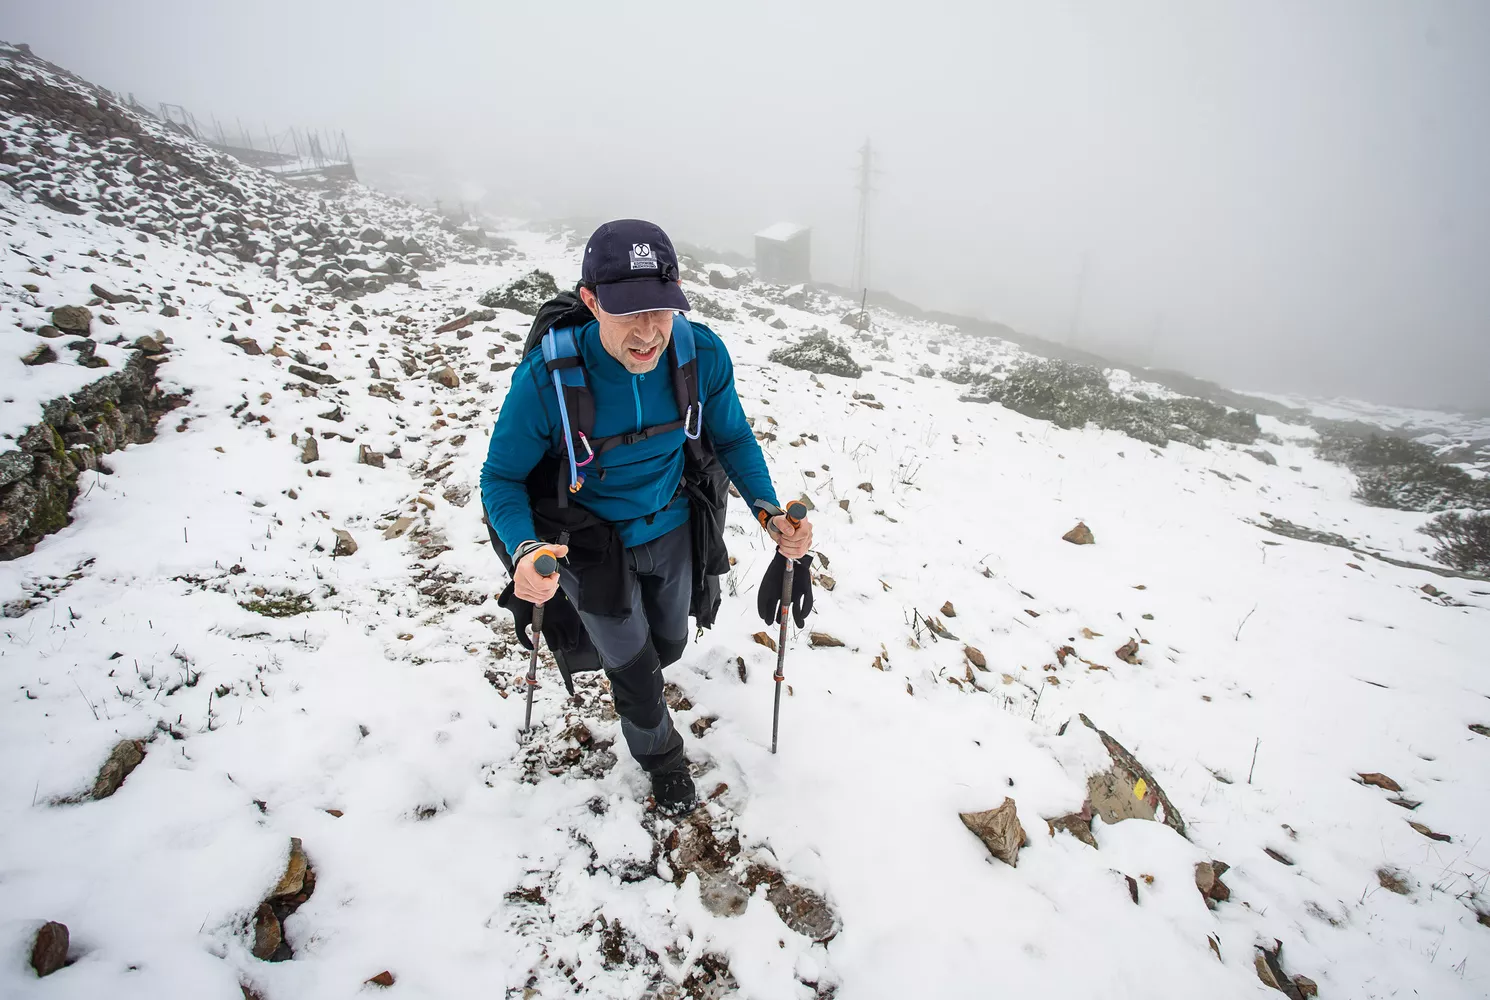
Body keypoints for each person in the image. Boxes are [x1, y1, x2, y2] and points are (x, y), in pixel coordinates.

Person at [481, 219, 813, 815]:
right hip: (589, 545)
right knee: (635, 671)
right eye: (627, 311)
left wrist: (769, 514)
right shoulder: (548, 380)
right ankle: (662, 759)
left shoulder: (699, 354)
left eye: (659, 309)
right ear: (590, 301)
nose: (647, 332)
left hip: (672, 526)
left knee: (668, 643)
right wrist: (524, 550)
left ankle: (634, 671)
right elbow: (500, 477)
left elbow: (732, 438)